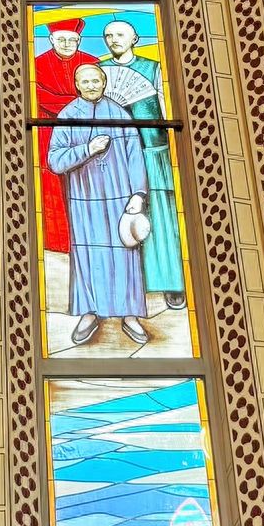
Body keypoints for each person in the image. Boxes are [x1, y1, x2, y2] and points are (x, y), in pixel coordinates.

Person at [46, 61, 149, 346]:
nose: (91, 85)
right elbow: (54, 161)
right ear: (77, 85)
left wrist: (138, 195)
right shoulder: (67, 116)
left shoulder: (119, 115)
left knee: (125, 254)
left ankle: (129, 314)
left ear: (104, 84)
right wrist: (87, 150)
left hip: (120, 197)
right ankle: (89, 312)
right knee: (88, 255)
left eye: (96, 80)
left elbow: (135, 158)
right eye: (86, 81)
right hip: (84, 198)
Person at [100, 18, 185, 312]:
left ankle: (170, 282)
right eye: (109, 35)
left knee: (161, 217)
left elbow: (166, 107)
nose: (114, 40)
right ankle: (123, 286)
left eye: (120, 34)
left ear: (135, 38)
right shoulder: (99, 70)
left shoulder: (152, 67)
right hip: (114, 156)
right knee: (116, 215)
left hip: (152, 150)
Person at [33, 18, 95, 258]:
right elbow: (38, 95)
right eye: (62, 39)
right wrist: (75, 105)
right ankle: (58, 242)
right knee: (53, 186)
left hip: (87, 131)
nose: (67, 44)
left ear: (79, 40)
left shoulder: (91, 63)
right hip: (49, 133)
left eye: (72, 40)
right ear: (51, 40)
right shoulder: (37, 64)